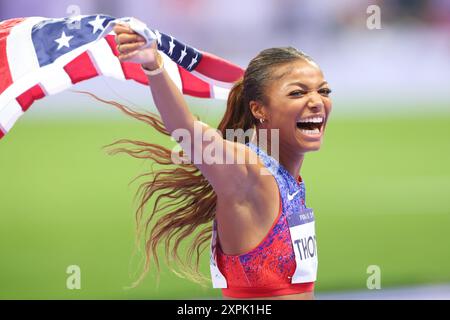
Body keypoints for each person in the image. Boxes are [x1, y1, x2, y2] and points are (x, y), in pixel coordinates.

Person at [111, 23, 332, 300]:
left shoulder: (287, 178)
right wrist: (154, 67)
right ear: (259, 109)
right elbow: (189, 132)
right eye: (298, 93)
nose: (317, 101)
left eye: (324, 91)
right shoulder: (250, 172)